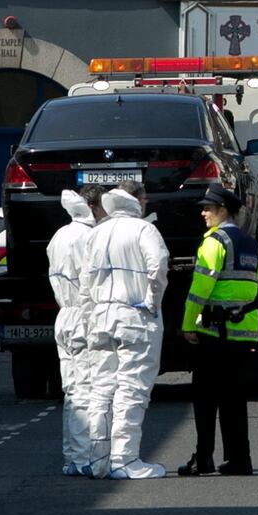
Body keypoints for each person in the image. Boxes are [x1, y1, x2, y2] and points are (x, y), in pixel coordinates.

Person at [80, 181, 168, 479]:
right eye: (144, 199)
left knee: (101, 389)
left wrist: (89, 315)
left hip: (100, 317)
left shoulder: (97, 232)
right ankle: (125, 460)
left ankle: (98, 459)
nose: (146, 204)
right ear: (136, 201)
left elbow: (85, 281)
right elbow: (158, 265)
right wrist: (151, 302)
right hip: (134, 317)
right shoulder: (144, 230)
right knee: (132, 388)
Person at [177, 183, 258, 477]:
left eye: (208, 208)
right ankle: (240, 459)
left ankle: (204, 458)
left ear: (223, 210)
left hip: (215, 332)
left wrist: (188, 324)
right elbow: (256, 289)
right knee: (235, 399)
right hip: (244, 332)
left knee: (205, 398)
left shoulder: (214, 242)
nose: (203, 213)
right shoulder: (250, 243)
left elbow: (200, 287)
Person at [47, 184, 106, 477]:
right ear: (95, 207)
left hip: (64, 315)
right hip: (85, 316)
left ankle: (72, 456)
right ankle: (84, 457)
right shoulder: (89, 237)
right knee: (86, 388)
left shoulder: (60, 235)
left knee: (72, 390)